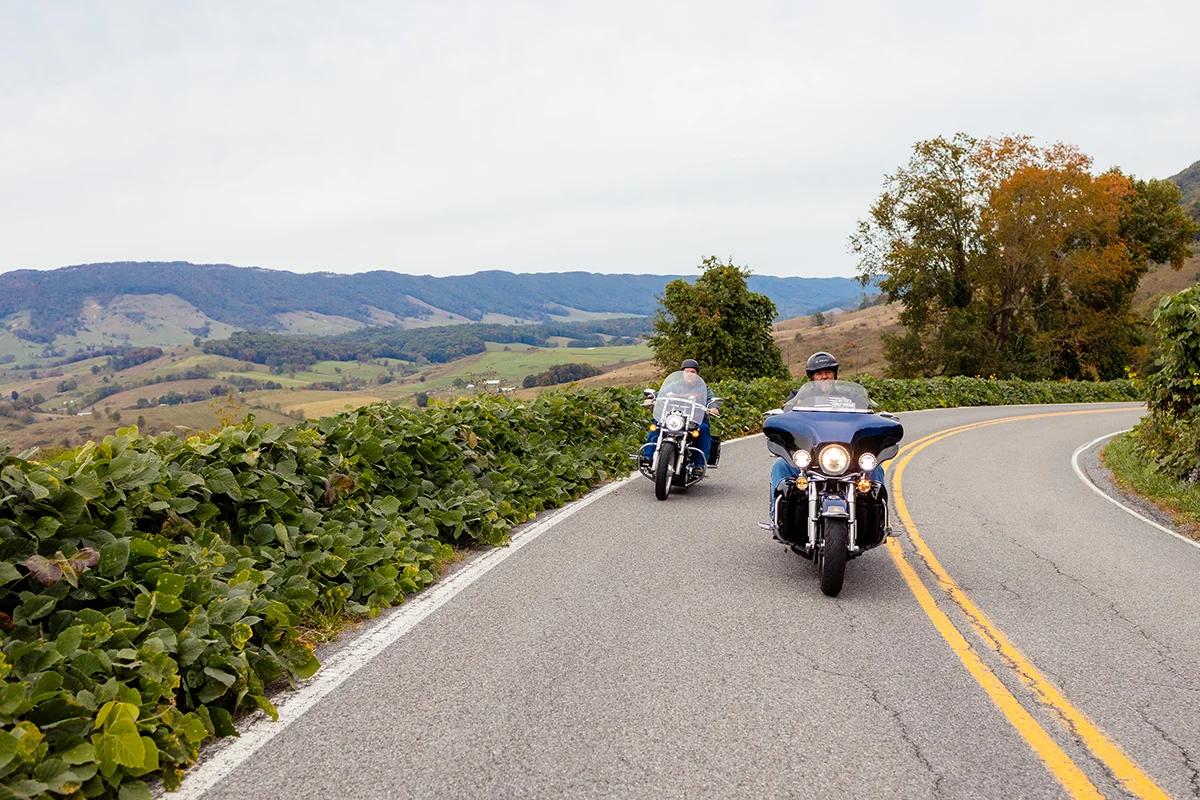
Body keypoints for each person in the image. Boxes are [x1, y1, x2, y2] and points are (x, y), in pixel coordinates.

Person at [767, 351, 883, 524]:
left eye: (828, 372)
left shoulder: (850, 398)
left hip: (846, 455)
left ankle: (878, 521)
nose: (824, 377)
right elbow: (787, 416)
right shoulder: (798, 398)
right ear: (811, 377)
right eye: (819, 373)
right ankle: (777, 517)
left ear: (835, 374)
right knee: (780, 466)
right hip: (810, 454)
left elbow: (867, 416)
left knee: (875, 468)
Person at [642, 359, 721, 464]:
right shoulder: (675, 386)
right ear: (682, 373)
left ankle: (699, 464)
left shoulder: (703, 388)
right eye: (687, 371)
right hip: (676, 417)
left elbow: (711, 400)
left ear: (697, 374)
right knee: (657, 425)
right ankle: (648, 457)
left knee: (704, 429)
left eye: (693, 372)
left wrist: (713, 408)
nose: (689, 374)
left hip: (695, 420)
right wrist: (651, 399)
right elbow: (661, 393)